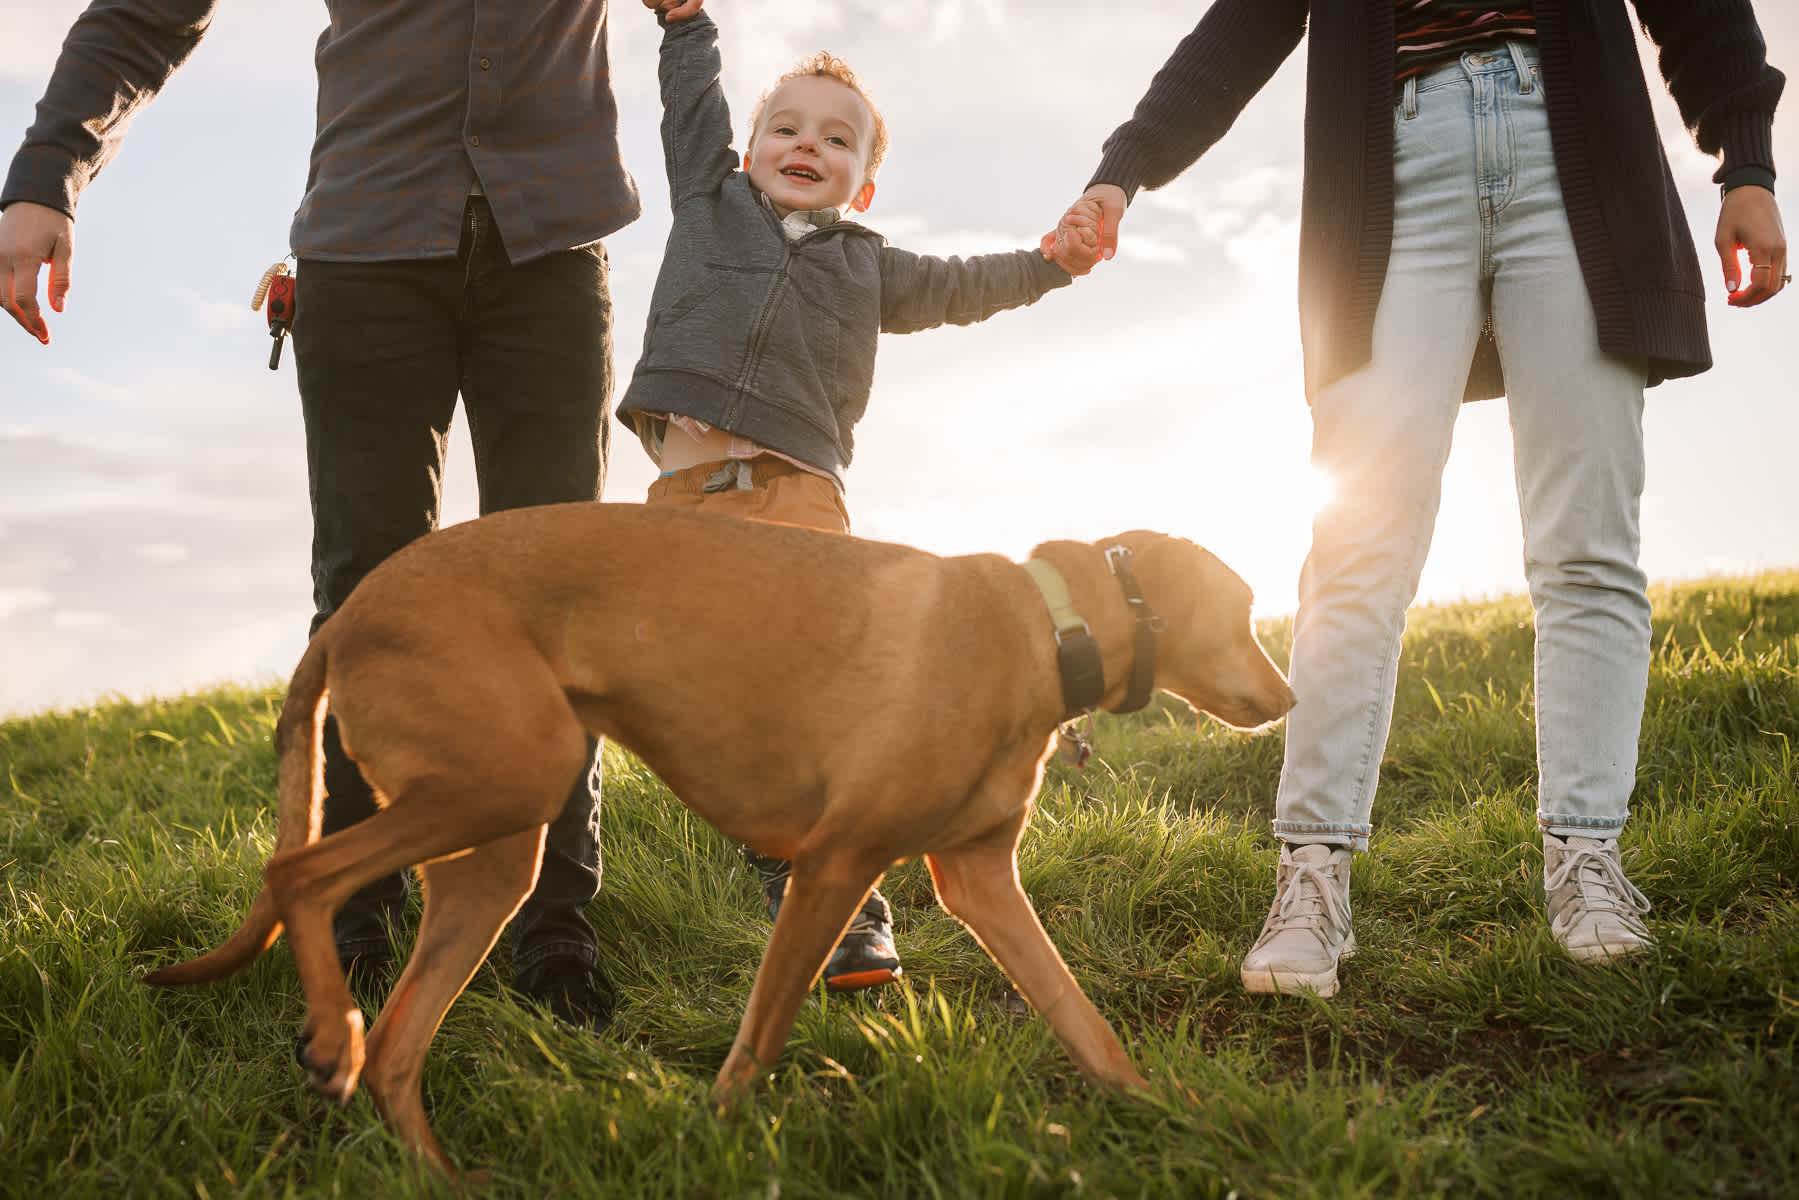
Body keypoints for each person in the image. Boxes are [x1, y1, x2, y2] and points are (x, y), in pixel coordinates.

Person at [1048, 0, 1786, 996]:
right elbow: (1238, 29)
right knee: (1356, 549)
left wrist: (1743, 162)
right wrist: (1121, 168)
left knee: (1585, 545)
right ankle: (1310, 877)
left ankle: (1586, 861)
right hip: (1392, 172)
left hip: (1570, 161)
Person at [0, 0, 706, 1026]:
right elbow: (144, 14)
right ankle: (359, 915)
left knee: (560, 602)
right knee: (368, 598)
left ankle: (554, 926)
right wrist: (46, 175)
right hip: (365, 252)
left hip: (551, 249)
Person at [625, 1, 1100, 992]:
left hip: (799, 499)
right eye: (786, 129)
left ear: (863, 182)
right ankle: (776, 851)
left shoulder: (868, 265)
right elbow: (688, 101)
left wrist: (1049, 265)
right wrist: (684, 22)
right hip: (684, 502)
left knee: (819, 693)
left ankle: (848, 912)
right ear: (745, 149)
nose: (807, 144)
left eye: (835, 140)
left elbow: (963, 285)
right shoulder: (706, 198)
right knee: (713, 695)